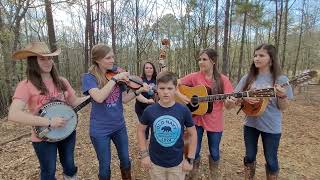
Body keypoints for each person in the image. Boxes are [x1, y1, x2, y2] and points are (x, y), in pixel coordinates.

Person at [8, 41, 88, 180]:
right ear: (33, 61)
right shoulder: (26, 85)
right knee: (48, 172)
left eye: (49, 58)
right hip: (43, 137)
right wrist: (49, 121)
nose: (47, 62)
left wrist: (94, 95)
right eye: (42, 58)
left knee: (69, 166)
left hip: (66, 132)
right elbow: (14, 114)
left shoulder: (62, 81)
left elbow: (74, 102)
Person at [81, 44, 150, 180]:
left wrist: (138, 91)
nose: (113, 60)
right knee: (105, 166)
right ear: (98, 60)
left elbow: (124, 99)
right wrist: (115, 79)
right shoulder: (89, 77)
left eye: (113, 56)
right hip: (100, 129)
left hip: (119, 126)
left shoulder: (116, 74)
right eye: (108, 58)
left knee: (125, 160)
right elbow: (99, 97)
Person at [233, 44, 293, 180]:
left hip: (271, 126)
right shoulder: (247, 77)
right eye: (255, 55)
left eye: (261, 55)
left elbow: (283, 107)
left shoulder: (281, 80)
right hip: (250, 124)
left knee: (271, 160)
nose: (257, 58)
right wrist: (244, 96)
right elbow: (234, 97)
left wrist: (282, 95)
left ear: (271, 58)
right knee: (249, 156)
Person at [176, 48, 235, 179]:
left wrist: (231, 102)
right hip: (196, 120)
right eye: (200, 59)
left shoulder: (223, 80)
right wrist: (180, 96)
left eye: (204, 59)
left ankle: (214, 175)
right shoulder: (194, 76)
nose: (201, 62)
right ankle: (193, 175)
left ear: (213, 61)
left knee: (214, 152)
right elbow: (175, 83)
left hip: (215, 121)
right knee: (194, 151)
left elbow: (229, 106)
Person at [137, 71, 197, 180]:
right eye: (162, 88)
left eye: (169, 88)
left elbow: (193, 134)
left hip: (177, 164)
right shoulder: (149, 111)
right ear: (156, 89)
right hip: (155, 164)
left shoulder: (183, 110)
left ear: (175, 89)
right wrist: (144, 154)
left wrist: (190, 159)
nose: (165, 92)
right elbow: (141, 130)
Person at [135, 61, 157, 139]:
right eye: (146, 68)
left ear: (153, 69)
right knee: (145, 128)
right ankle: (144, 146)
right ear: (144, 70)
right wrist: (147, 101)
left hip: (154, 108)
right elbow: (137, 95)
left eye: (151, 68)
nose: (149, 69)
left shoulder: (157, 79)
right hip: (141, 108)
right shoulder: (139, 80)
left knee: (155, 126)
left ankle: (153, 144)